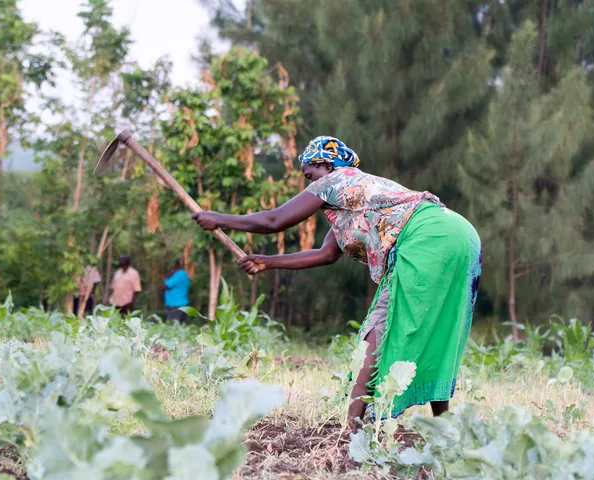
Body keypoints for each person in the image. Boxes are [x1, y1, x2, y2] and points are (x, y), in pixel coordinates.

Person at [193, 136, 481, 427]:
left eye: (310, 174)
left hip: (427, 237)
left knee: (380, 326)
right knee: (439, 325)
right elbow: (326, 254)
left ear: (326, 165)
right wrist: (266, 262)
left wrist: (218, 218)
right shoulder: (355, 197)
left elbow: (274, 221)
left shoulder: (334, 181)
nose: (309, 184)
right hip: (459, 232)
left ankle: (353, 428)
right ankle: (444, 426)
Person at [163, 258, 191, 323]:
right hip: (180, 304)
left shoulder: (180, 273)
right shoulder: (184, 274)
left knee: (173, 327)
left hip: (176, 305)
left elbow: (166, 286)